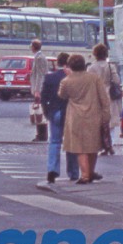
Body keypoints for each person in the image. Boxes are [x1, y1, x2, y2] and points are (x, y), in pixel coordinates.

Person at [57, 54, 111, 184]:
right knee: (93, 146)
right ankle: (90, 172)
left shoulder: (66, 81)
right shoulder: (94, 78)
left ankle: (85, 175)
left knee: (79, 147)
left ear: (70, 65)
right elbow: (104, 98)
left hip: (75, 117)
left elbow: (62, 95)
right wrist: (106, 115)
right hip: (94, 115)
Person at [39, 52, 78, 184]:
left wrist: (47, 113)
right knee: (71, 142)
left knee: (55, 142)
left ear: (57, 63)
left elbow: (44, 98)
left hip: (55, 112)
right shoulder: (73, 77)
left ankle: (52, 169)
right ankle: (73, 172)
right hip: (70, 112)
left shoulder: (50, 78)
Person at [89, 43, 121, 153]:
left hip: (97, 94)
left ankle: (102, 144)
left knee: (98, 120)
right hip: (109, 94)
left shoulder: (91, 67)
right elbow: (117, 80)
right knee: (110, 120)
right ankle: (110, 143)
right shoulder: (110, 66)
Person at [29, 39, 48, 142]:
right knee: (38, 110)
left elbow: (40, 75)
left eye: (31, 46)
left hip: (39, 88)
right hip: (38, 87)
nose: (30, 48)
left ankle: (41, 134)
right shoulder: (38, 57)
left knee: (39, 111)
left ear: (34, 47)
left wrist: (37, 90)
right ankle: (40, 134)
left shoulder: (39, 58)